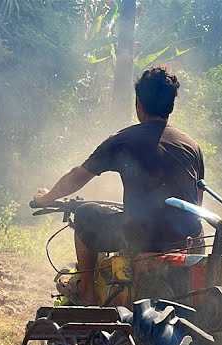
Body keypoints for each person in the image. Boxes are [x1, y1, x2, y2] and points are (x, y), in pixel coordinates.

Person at [32, 66, 205, 302]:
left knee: (84, 213)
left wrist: (46, 197)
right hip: (182, 238)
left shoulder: (124, 139)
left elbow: (77, 176)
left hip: (140, 236)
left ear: (138, 104)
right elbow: (197, 201)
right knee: (198, 227)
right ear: (171, 105)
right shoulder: (191, 146)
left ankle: (87, 291)